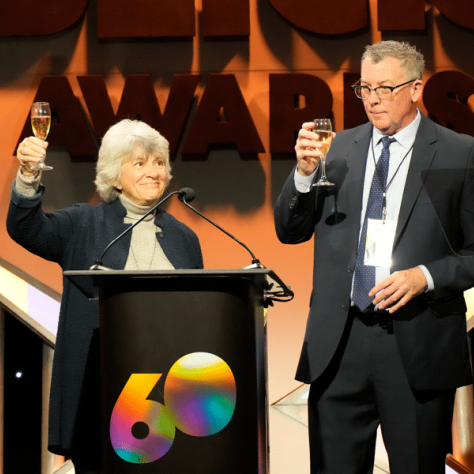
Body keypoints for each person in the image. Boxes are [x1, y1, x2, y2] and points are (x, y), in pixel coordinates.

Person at [274, 40, 474, 474]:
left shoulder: (461, 153)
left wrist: (426, 276)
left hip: (415, 340)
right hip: (339, 342)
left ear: (416, 89)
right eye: (364, 88)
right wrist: (304, 177)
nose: (372, 99)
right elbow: (289, 232)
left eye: (385, 88)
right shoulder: (336, 150)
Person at [7, 119, 203, 474]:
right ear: (114, 175)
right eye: (139, 163)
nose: (154, 172)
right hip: (100, 391)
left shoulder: (184, 238)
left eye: (159, 162)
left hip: (170, 394)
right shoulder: (84, 224)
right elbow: (26, 228)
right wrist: (28, 175)